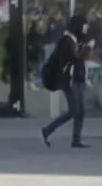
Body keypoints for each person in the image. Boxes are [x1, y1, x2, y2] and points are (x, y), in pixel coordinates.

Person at [38, 14, 92, 150]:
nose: (87, 27)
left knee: (81, 110)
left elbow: (79, 64)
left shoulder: (76, 40)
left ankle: (76, 139)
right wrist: (88, 48)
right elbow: (75, 59)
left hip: (77, 79)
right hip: (69, 80)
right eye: (85, 24)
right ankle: (48, 130)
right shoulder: (66, 41)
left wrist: (85, 78)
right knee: (74, 110)